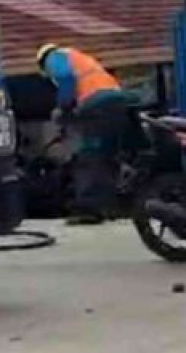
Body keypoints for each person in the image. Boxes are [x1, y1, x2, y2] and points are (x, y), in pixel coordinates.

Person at [37, 43, 130, 225]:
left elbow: (65, 78)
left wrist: (63, 108)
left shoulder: (55, 57)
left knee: (89, 156)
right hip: (117, 101)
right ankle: (111, 206)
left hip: (97, 104)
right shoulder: (82, 57)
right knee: (107, 156)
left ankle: (88, 209)